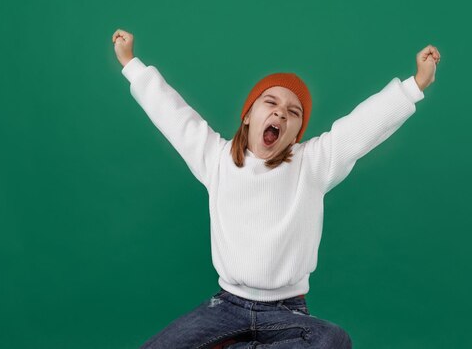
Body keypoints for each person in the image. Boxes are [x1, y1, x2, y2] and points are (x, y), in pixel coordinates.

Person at [112, 29, 440, 348]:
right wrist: (131, 63)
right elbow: (171, 113)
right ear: (248, 118)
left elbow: (363, 126)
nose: (280, 111)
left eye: (293, 112)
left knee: (333, 340)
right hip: (225, 307)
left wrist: (415, 84)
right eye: (270, 102)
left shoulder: (313, 163)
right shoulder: (215, 158)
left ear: (296, 133)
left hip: (288, 313)